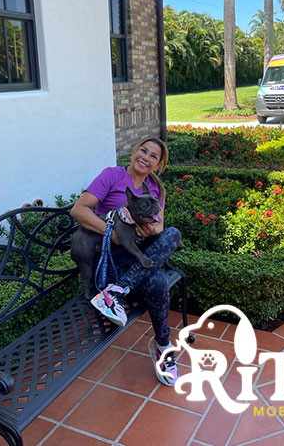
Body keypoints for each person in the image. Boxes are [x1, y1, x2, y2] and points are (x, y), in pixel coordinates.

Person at [69, 136, 182, 386]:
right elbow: (78, 210)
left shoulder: (155, 190)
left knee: (172, 236)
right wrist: (116, 235)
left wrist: (148, 230)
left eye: (153, 156)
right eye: (143, 151)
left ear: (158, 165)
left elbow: (159, 227)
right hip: (110, 261)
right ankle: (161, 343)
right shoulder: (112, 176)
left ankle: (119, 295)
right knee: (159, 280)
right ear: (134, 152)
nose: (146, 157)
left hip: (137, 261)